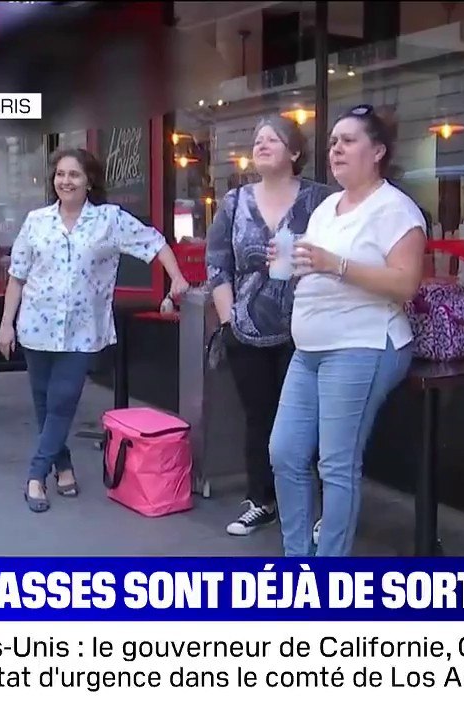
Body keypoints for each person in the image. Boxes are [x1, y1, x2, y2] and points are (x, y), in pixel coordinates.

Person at [268, 104, 426, 556]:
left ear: (377, 151)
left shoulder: (395, 209)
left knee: (336, 464)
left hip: (363, 343)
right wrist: (296, 264)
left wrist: (332, 264)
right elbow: (319, 269)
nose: (336, 148)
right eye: (333, 141)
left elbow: (405, 283)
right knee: (285, 453)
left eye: (348, 140)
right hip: (311, 346)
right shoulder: (326, 209)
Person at [0, 148, 191, 513]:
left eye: (74, 175)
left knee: (63, 400)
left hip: (82, 331)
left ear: (89, 181)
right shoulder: (36, 221)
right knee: (44, 403)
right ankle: (64, 464)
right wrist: (6, 323)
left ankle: (36, 475)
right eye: (60, 174)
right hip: (36, 326)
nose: (66, 181)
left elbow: (155, 243)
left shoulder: (109, 220)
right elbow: (17, 276)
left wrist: (177, 276)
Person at [206, 115, 333, 537]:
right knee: (259, 417)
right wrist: (228, 321)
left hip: (308, 329)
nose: (261, 144)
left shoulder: (320, 200)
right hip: (247, 329)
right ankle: (261, 500)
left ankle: (317, 512)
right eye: (257, 139)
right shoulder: (234, 202)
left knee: (308, 420)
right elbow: (217, 266)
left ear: (295, 153)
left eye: (273, 139)